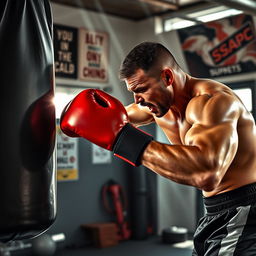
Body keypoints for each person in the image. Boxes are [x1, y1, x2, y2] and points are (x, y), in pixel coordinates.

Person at [60, 42, 256, 255]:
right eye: (133, 92)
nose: (138, 100)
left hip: (244, 209)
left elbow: (206, 173)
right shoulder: (157, 106)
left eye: (142, 89)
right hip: (213, 211)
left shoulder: (214, 102)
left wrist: (124, 140)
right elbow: (115, 119)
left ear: (167, 78)